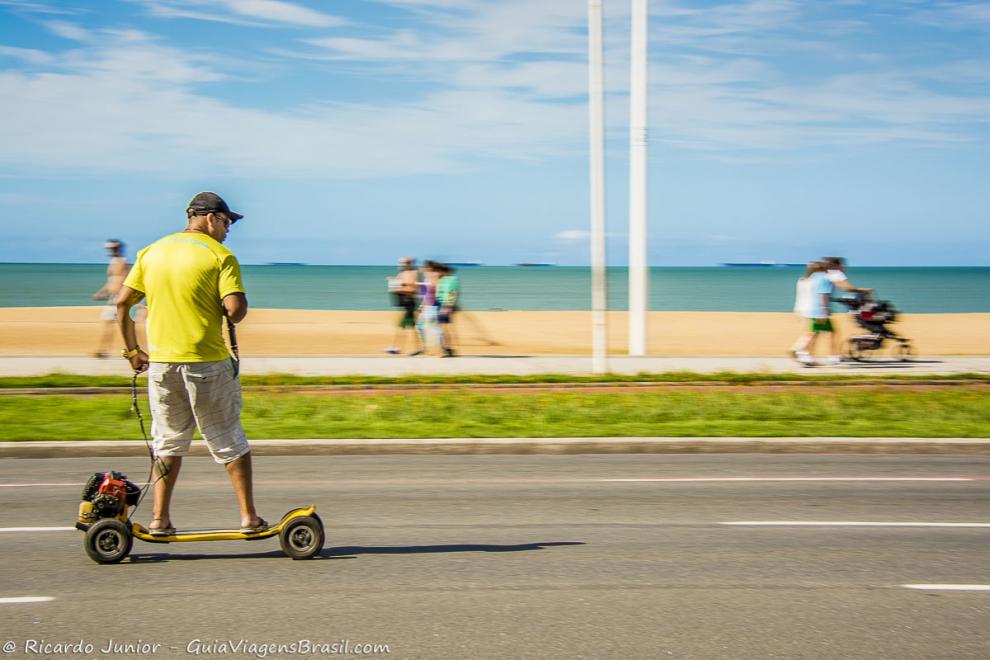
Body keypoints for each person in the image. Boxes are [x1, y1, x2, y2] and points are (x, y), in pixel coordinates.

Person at [115, 192, 266, 536]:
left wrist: (132, 352)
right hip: (207, 363)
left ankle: (159, 520)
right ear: (211, 218)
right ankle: (249, 517)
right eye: (227, 223)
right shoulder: (220, 255)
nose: (228, 231)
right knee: (229, 439)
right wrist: (235, 300)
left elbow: (122, 304)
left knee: (168, 442)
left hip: (163, 364)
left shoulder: (150, 252)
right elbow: (234, 310)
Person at [91, 240, 129, 358]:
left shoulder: (122, 262)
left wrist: (120, 297)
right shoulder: (114, 261)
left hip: (117, 298)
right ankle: (103, 350)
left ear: (118, 249)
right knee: (111, 324)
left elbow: (123, 280)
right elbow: (111, 281)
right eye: (109, 249)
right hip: (113, 298)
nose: (109, 251)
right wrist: (101, 293)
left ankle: (103, 350)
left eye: (112, 249)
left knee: (120, 325)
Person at [384, 257, 422, 355]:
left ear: (410, 263)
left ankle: (414, 348)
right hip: (405, 303)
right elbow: (397, 284)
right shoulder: (402, 273)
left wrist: (399, 289)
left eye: (404, 263)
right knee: (405, 326)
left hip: (410, 302)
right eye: (401, 263)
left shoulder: (414, 273)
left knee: (409, 326)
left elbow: (414, 289)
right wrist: (392, 282)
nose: (402, 265)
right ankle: (399, 347)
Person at [789, 261, 822, 365]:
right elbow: (816, 297)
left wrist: (797, 309)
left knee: (811, 332)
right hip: (811, 309)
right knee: (813, 332)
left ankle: (806, 354)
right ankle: (801, 350)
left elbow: (800, 296)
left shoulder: (801, 280)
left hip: (800, 308)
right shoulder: (815, 281)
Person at [436, 264, 460, 357]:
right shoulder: (442, 279)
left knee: (443, 328)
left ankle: (446, 349)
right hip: (441, 305)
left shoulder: (453, 279)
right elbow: (439, 294)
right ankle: (447, 349)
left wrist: (450, 306)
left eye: (440, 271)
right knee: (442, 328)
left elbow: (454, 293)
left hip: (446, 305)